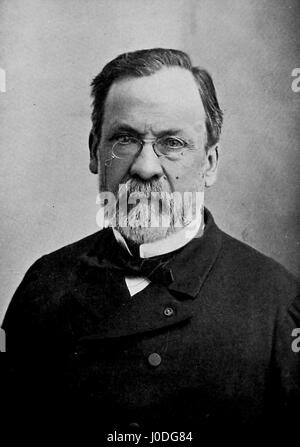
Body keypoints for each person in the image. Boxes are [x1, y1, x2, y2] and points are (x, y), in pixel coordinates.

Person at [2, 48, 299, 443]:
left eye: (172, 142)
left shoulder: (279, 302)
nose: (145, 167)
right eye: (124, 139)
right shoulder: (44, 286)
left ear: (209, 162)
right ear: (95, 151)